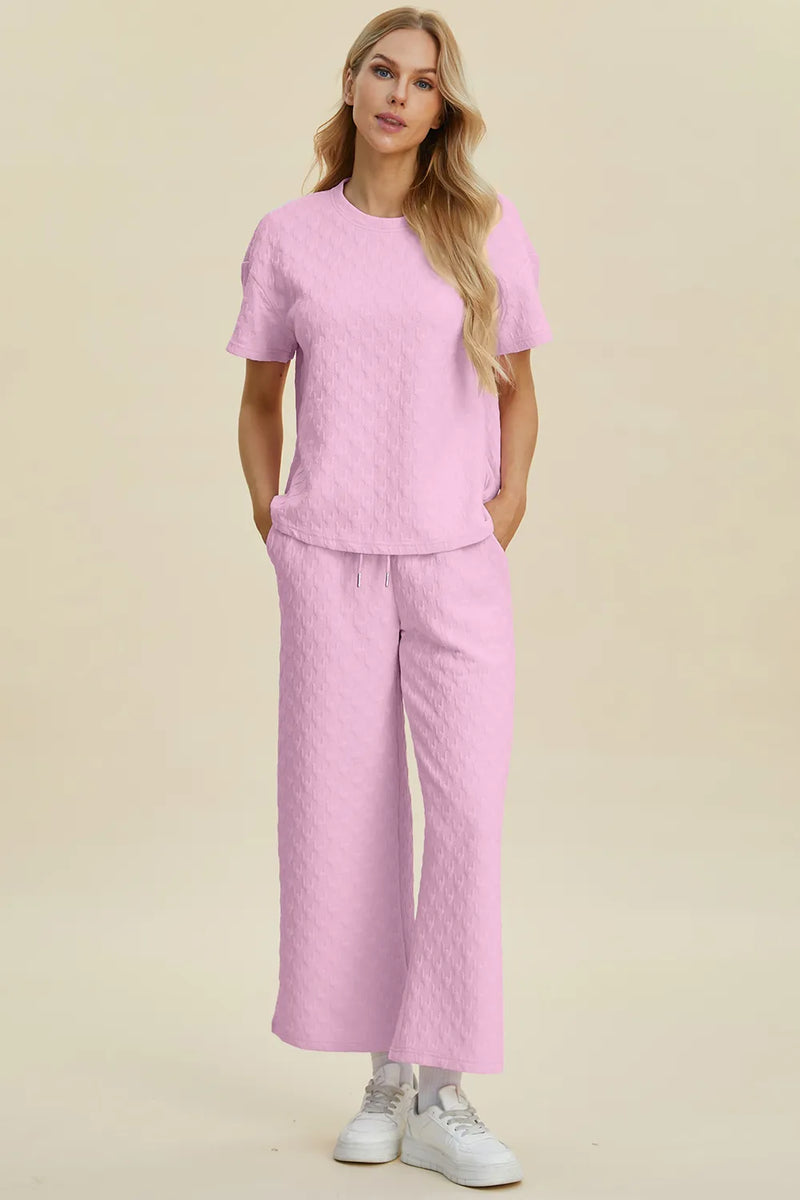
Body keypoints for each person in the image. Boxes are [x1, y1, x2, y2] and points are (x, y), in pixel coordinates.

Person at [225, 8, 552, 1189]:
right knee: (343, 815)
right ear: (352, 82)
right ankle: (382, 1079)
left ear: (440, 105)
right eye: (382, 71)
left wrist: (501, 507)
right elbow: (260, 400)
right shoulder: (289, 236)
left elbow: (517, 390)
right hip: (330, 564)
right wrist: (275, 520)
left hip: (451, 560)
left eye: (421, 81)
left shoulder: (483, 226)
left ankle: (443, 1093)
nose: (398, 95)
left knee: (464, 815)